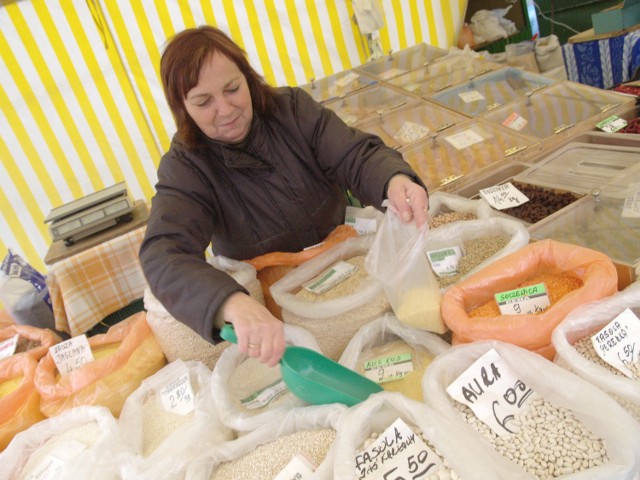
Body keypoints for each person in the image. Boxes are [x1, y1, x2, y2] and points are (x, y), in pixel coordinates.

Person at [139, 25, 430, 367]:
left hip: (349, 271)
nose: (226, 109)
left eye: (233, 89)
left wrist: (392, 179)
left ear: (248, 77)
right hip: (273, 315)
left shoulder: (291, 110)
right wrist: (229, 302)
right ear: (182, 108)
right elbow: (163, 253)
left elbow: (355, 154)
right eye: (204, 102)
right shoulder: (185, 166)